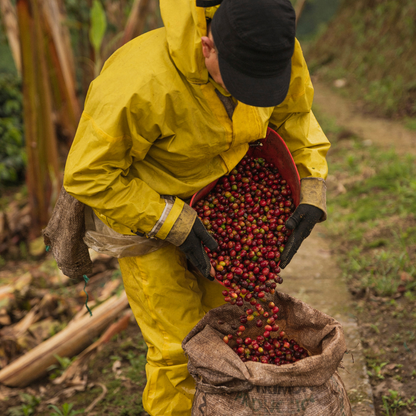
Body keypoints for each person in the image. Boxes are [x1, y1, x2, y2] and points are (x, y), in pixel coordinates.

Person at [63, 0, 330, 414]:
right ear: (208, 47)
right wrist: (172, 221)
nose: (251, 96)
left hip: (223, 209)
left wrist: (312, 187)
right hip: (146, 215)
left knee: (236, 328)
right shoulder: (140, 80)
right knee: (179, 350)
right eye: (240, 83)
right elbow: (88, 174)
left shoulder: (272, 47)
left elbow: (295, 116)